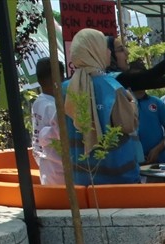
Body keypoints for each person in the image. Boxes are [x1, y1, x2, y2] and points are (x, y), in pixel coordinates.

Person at [62, 28, 140, 185]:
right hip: (119, 179)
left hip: (81, 177)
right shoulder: (112, 87)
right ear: (94, 51)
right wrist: (132, 104)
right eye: (105, 48)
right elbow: (128, 125)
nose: (109, 53)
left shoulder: (65, 89)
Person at [126, 66, 165, 166]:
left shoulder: (156, 102)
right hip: (131, 163)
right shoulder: (123, 103)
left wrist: (157, 149)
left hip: (157, 161)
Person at [31, 58, 64, 185]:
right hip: (58, 167)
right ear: (60, 78)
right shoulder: (53, 107)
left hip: (45, 164)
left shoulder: (38, 102)